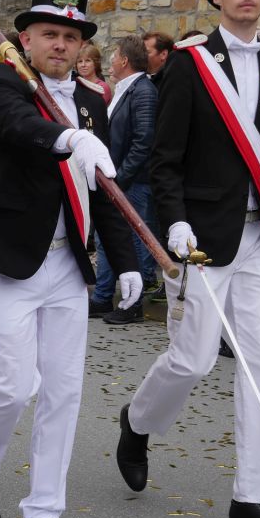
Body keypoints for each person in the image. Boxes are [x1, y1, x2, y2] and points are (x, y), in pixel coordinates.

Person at [116, 0, 260, 518]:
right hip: (200, 238)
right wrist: (173, 221)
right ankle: (137, 421)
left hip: (259, 238)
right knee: (193, 359)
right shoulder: (190, 63)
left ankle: (252, 498)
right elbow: (165, 157)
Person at [0, 0, 141, 518]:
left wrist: (126, 261)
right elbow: (17, 126)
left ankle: (43, 512)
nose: (60, 44)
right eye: (49, 34)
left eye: (70, 36)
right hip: (12, 262)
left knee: (63, 391)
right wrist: (70, 138)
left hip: (67, 266)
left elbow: (103, 186)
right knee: (14, 386)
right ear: (26, 39)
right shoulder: (5, 81)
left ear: (82, 45)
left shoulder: (91, 100)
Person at [95, 33, 158, 324]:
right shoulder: (125, 89)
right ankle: (102, 297)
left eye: (115, 55)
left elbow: (144, 141)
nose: (110, 61)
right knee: (108, 238)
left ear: (124, 60)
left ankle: (133, 305)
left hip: (133, 184)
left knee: (133, 242)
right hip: (117, 179)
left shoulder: (143, 91)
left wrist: (120, 180)